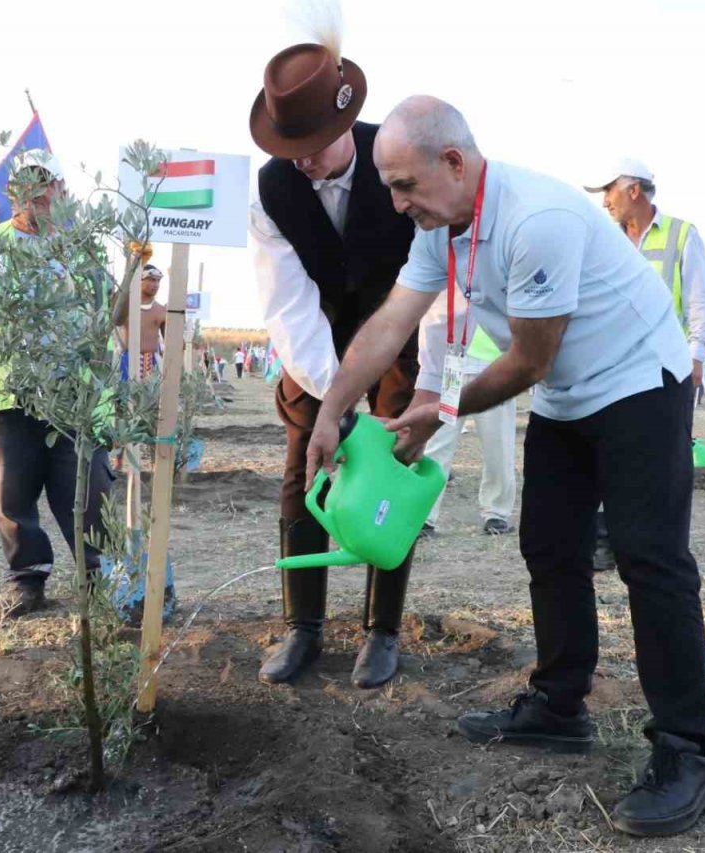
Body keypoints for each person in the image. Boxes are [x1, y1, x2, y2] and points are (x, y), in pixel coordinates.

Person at [305, 96, 705, 836]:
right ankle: (561, 706)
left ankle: (688, 747)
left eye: (404, 185)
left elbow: (530, 357)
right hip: (569, 393)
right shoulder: (442, 226)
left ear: (455, 162)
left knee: (649, 555)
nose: (397, 205)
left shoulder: (536, 220)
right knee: (550, 546)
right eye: (390, 188)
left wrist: (442, 408)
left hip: (639, 381)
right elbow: (394, 320)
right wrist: (333, 406)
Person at [249, 39, 420, 689]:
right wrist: (336, 403)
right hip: (316, 350)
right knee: (303, 471)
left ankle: (381, 631)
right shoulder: (270, 191)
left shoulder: (396, 162)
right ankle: (304, 626)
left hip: (401, 336)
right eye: (292, 148)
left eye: (318, 142)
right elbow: (288, 309)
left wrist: (415, 388)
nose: (306, 161)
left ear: (348, 122)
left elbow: (433, 277)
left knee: (393, 468)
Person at [0, 148, 116, 619]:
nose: (37, 194)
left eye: (47, 184)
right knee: (13, 496)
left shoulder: (82, 249)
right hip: (6, 390)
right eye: (27, 185)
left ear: (62, 191)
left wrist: (138, 269)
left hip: (71, 394)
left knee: (86, 490)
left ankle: (97, 576)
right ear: (13, 191)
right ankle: (28, 580)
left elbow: (108, 315)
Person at [584, 160, 705, 569]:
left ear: (633, 190)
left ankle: (659, 546)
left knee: (665, 465)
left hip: (665, 369)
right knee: (608, 457)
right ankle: (607, 542)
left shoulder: (681, 234)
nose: (604, 200)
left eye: (609, 190)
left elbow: (700, 304)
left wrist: (696, 356)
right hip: (612, 367)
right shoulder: (604, 237)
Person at [420, 321, 516, 537]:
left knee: (498, 444)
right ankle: (424, 514)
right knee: (437, 445)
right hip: (450, 364)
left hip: (495, 365)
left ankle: (496, 512)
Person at [114, 264, 167, 380]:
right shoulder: (126, 305)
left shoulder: (162, 311)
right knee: (126, 396)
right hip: (127, 359)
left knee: (149, 397)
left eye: (158, 281)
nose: (156, 285)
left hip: (151, 361)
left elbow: (171, 343)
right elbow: (116, 320)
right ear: (139, 280)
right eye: (152, 280)